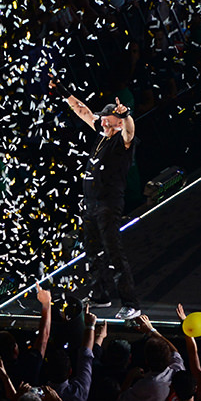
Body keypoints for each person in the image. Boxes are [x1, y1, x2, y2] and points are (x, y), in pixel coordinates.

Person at [52, 78, 140, 320]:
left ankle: (131, 302)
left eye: (108, 117)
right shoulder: (102, 134)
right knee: (92, 252)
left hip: (108, 205)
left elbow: (130, 130)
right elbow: (84, 112)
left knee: (113, 252)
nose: (101, 119)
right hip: (90, 204)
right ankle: (101, 294)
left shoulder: (121, 141)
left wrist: (127, 114)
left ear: (118, 121)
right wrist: (64, 92)